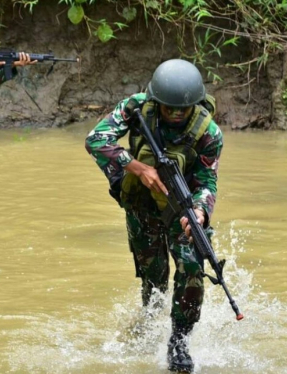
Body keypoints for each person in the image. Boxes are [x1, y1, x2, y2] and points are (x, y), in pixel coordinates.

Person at [84, 59, 223, 373]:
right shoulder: (137, 107)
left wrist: (200, 211)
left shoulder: (209, 133)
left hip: (182, 205)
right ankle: (147, 324)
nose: (174, 114)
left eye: (182, 109)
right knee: (154, 278)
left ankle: (179, 340)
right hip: (141, 203)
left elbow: (208, 181)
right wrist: (138, 167)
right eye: (168, 108)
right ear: (156, 101)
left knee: (192, 269)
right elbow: (95, 139)